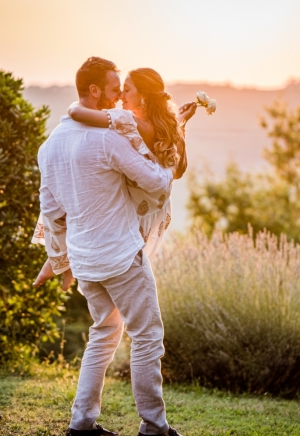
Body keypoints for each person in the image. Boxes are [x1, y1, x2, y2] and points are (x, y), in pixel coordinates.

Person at [36, 56, 195, 436]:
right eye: (112, 87)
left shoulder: (50, 145)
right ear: (94, 91)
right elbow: (155, 182)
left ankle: (82, 422)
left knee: (103, 333)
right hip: (122, 258)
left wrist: (60, 262)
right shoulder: (108, 138)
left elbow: (52, 213)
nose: (117, 95)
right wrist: (171, 159)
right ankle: (154, 428)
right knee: (147, 336)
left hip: (87, 261)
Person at [32, 68, 197, 290]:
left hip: (137, 197)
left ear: (144, 96)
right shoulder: (165, 127)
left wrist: (74, 105)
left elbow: (78, 114)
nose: (120, 96)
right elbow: (178, 170)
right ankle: (60, 258)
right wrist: (179, 125)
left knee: (69, 192)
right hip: (148, 199)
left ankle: (60, 258)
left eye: (126, 90)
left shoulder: (127, 120)